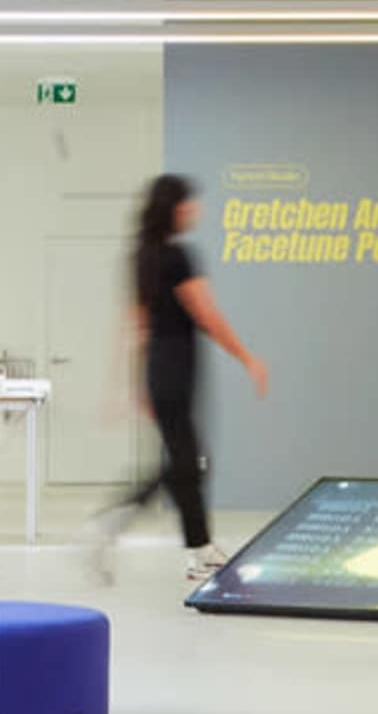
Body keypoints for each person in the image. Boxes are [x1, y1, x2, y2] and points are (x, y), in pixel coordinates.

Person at [91, 173, 267, 583]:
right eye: (190, 203)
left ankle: (200, 550)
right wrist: (247, 357)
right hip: (177, 368)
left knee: (187, 461)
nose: (195, 209)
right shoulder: (178, 257)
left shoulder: (142, 256)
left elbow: (137, 326)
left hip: (160, 369)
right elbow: (206, 316)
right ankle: (112, 520)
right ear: (175, 208)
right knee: (186, 462)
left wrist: (137, 383)